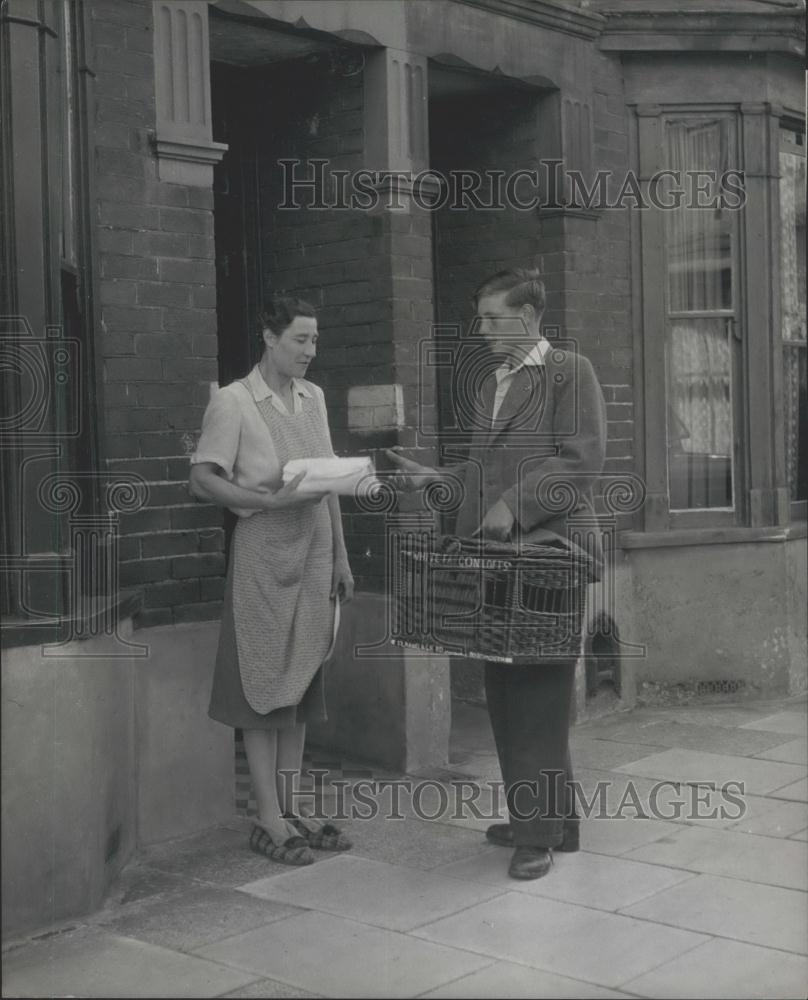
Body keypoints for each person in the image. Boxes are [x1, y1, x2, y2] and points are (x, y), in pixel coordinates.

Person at [388, 268, 607, 880]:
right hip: (502, 558)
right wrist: (438, 481)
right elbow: (487, 475)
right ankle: (552, 820)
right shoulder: (494, 385)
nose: (481, 330)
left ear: (529, 317)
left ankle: (535, 836)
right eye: (480, 318)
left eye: (492, 318)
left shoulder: (569, 370)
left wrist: (516, 505)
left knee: (536, 691)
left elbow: (582, 459)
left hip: (551, 553)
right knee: (507, 688)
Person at [189, 296, 355, 867]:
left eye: (314, 341)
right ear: (269, 337)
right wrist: (261, 500)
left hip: (315, 552)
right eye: (300, 341)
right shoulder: (234, 402)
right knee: (262, 684)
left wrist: (341, 557)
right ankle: (267, 816)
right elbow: (202, 479)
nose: (310, 351)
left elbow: (328, 479)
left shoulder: (315, 399)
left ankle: (293, 807)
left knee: (301, 678)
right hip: (262, 554)